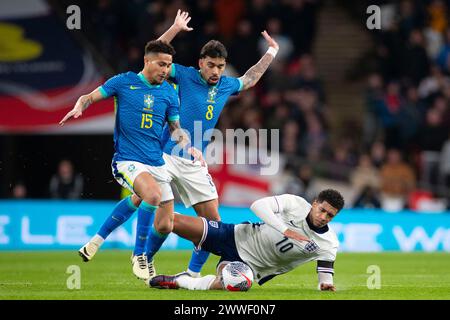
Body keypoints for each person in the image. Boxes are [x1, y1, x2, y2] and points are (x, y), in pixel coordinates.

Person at [78, 10, 280, 279]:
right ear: (201, 63)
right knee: (147, 203)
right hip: (165, 153)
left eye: (220, 66)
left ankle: (191, 274)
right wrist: (174, 29)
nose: (216, 71)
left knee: (213, 224)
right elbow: (154, 58)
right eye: (211, 65)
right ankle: (117, 246)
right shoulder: (183, 75)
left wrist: (271, 53)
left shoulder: (226, 85)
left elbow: (251, 78)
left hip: (194, 160)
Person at [59, 40, 202, 280]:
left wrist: (189, 147)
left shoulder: (169, 92)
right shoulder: (124, 82)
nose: (166, 70)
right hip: (127, 160)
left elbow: (176, 128)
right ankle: (139, 256)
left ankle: (97, 239)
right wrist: (79, 105)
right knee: (152, 195)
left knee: (164, 223)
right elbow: (88, 96)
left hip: (156, 162)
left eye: (168, 65)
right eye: (161, 64)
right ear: (147, 61)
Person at [149, 189, 344, 292]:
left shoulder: (328, 244)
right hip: (235, 235)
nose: (324, 217)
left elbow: (325, 279)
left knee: (236, 282)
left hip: (249, 267)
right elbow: (257, 205)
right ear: (314, 204)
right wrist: (285, 230)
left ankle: (183, 281)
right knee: (169, 221)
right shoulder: (296, 204)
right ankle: (146, 197)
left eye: (330, 215)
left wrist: (324, 286)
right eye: (322, 210)